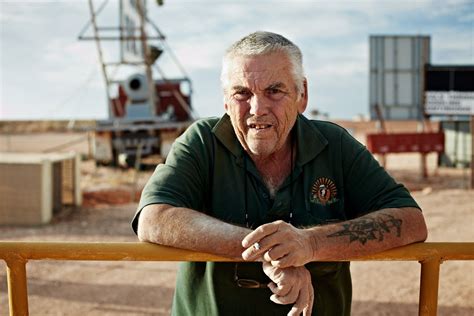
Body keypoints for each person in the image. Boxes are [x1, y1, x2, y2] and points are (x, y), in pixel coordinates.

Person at [132, 31, 428, 315]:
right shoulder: (202, 141)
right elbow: (153, 218)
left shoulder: (335, 145)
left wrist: (311, 244)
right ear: (225, 100)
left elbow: (410, 220)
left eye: (274, 91)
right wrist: (271, 254)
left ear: (302, 95)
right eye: (242, 93)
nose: (257, 108)